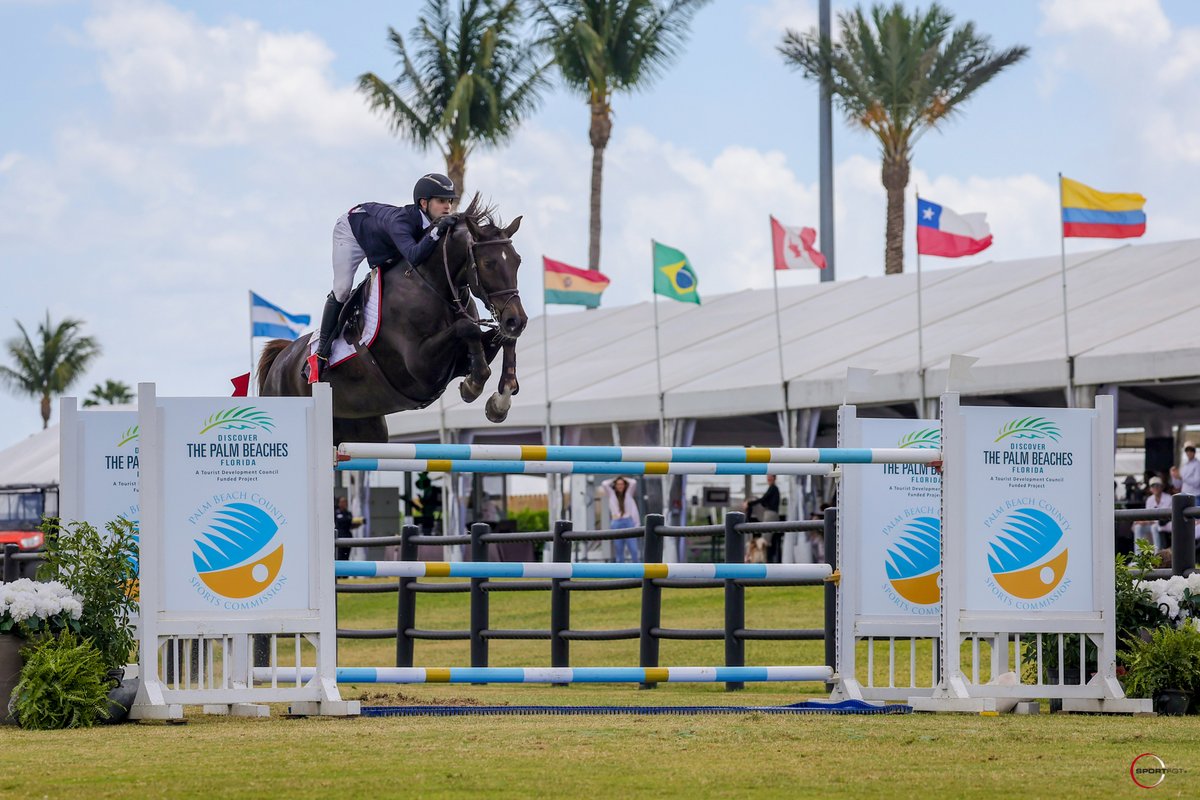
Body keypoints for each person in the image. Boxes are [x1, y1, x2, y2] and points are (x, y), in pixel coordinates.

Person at [311, 173, 460, 381]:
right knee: (342, 289)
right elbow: (414, 256)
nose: (448, 207)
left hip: (379, 237)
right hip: (352, 231)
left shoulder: (429, 222)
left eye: (450, 201)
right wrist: (437, 232)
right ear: (424, 203)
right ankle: (321, 353)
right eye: (441, 201)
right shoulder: (401, 222)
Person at [601, 476, 641, 563]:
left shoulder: (628, 494)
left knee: (633, 549)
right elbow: (604, 484)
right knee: (619, 550)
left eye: (622, 484)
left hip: (628, 522)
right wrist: (615, 479)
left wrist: (623, 478)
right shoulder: (611, 494)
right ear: (615, 485)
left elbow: (633, 482)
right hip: (616, 522)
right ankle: (621, 569)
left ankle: (637, 569)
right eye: (618, 484)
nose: (620, 486)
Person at [743, 475, 781, 561]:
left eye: (770, 477)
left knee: (764, 541)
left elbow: (763, 499)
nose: (768, 478)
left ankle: (766, 560)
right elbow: (764, 501)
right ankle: (768, 560)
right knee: (768, 541)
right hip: (771, 514)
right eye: (768, 477)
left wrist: (750, 503)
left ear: (774, 478)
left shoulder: (773, 488)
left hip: (770, 515)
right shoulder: (773, 489)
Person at [1133, 477, 1172, 550]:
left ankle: (1157, 553)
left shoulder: (1169, 498)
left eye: (1157, 485)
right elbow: (1148, 516)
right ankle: (1138, 554)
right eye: (1153, 486)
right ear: (1150, 489)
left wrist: (1146, 521)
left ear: (1162, 487)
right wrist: (1141, 522)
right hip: (1154, 524)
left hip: (1167, 524)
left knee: (1154, 527)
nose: (1155, 488)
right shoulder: (1149, 500)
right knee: (1138, 527)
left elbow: (1167, 517)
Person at [334, 496, 362, 561]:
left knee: (346, 556)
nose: (344, 503)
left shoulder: (348, 513)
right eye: (342, 502)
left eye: (345, 502)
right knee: (340, 556)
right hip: (339, 537)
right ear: (339, 503)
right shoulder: (336, 513)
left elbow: (351, 525)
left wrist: (358, 523)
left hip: (347, 536)